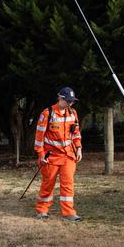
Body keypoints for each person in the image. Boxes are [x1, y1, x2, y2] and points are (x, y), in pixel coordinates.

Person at [33, 87, 83, 221]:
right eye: (67, 101)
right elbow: (39, 137)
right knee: (48, 184)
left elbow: (76, 133)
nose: (70, 104)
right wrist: (41, 154)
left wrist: (78, 148)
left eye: (72, 101)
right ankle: (42, 210)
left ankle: (69, 213)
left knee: (68, 184)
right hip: (51, 156)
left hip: (69, 155)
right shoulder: (47, 113)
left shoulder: (73, 113)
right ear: (60, 98)